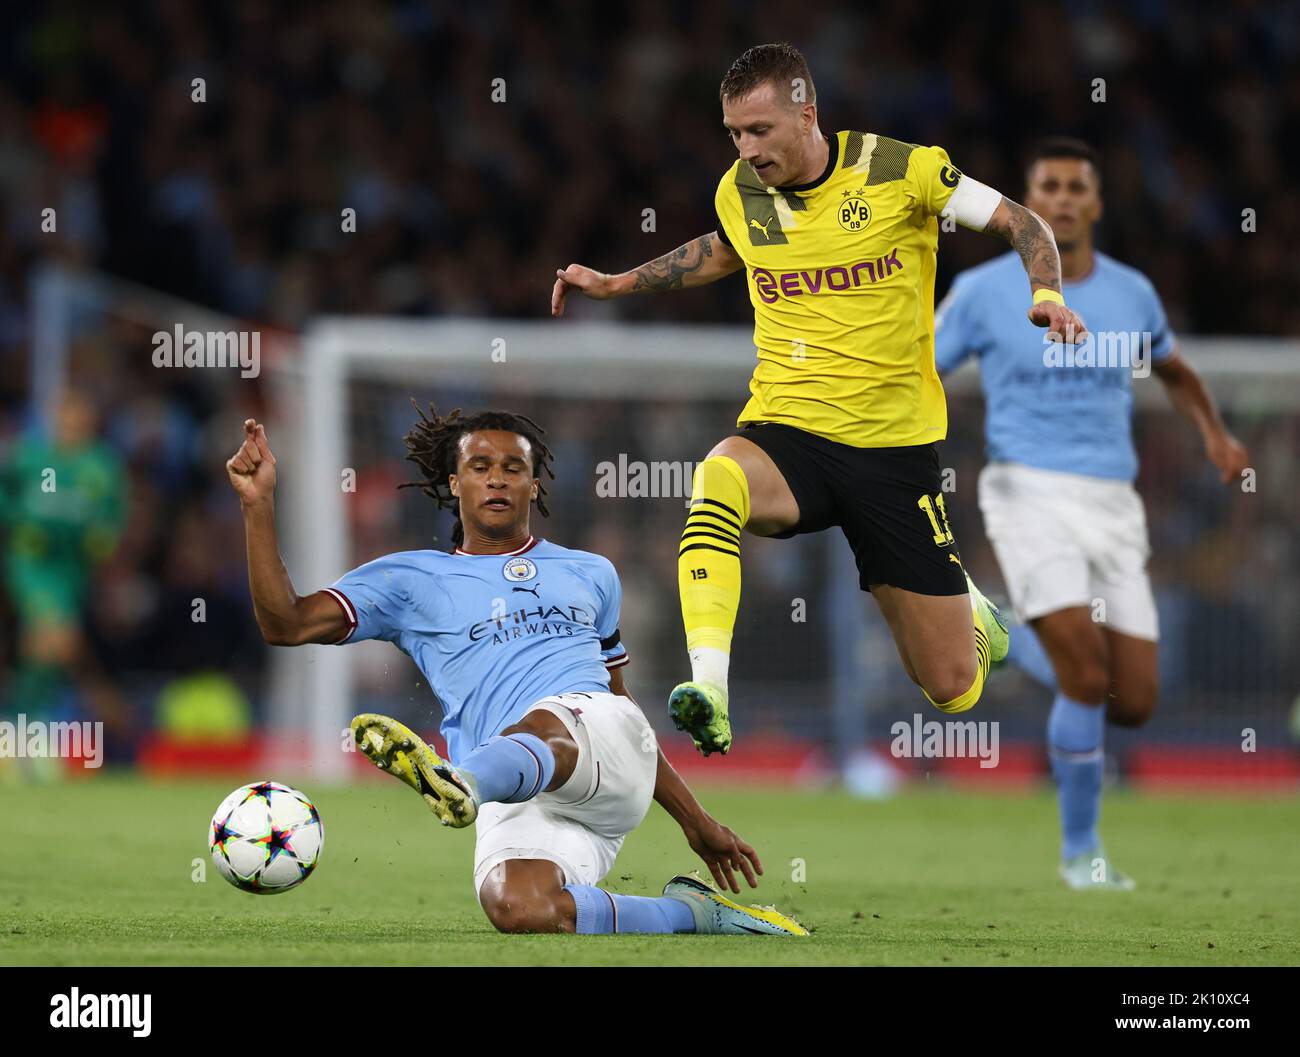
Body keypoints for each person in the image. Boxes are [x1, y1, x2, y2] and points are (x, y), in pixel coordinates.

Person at [552, 42, 1088, 756]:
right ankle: (709, 687)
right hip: (789, 431)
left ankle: (977, 615)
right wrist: (620, 282)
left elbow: (1025, 222)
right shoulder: (740, 190)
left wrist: (1046, 294)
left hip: (893, 452)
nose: (746, 149)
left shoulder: (904, 169)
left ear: (807, 113)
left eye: (760, 131)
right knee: (716, 476)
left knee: (952, 687)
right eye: (735, 134)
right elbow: (723, 248)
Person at [226, 409, 806, 935]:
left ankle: (460, 783)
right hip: (520, 794)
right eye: (480, 466)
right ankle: (695, 915)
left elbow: (623, 710)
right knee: (519, 908)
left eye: (513, 467)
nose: (497, 478)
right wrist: (257, 506)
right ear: (455, 484)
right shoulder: (409, 580)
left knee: (553, 722)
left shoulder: (592, 573)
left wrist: (693, 818)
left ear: (534, 484)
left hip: (595, 744)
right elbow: (288, 624)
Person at [933, 137, 1250, 889]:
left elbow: (1172, 367)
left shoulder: (1133, 293)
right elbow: (922, 369)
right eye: (1050, 185)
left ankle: (1003, 635)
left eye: (1079, 186)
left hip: (1113, 502)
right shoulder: (981, 292)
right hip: (1023, 489)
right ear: (1028, 200)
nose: (1065, 198)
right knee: (1082, 672)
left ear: (1097, 203)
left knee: (1132, 698)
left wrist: (1214, 433)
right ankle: (1083, 854)